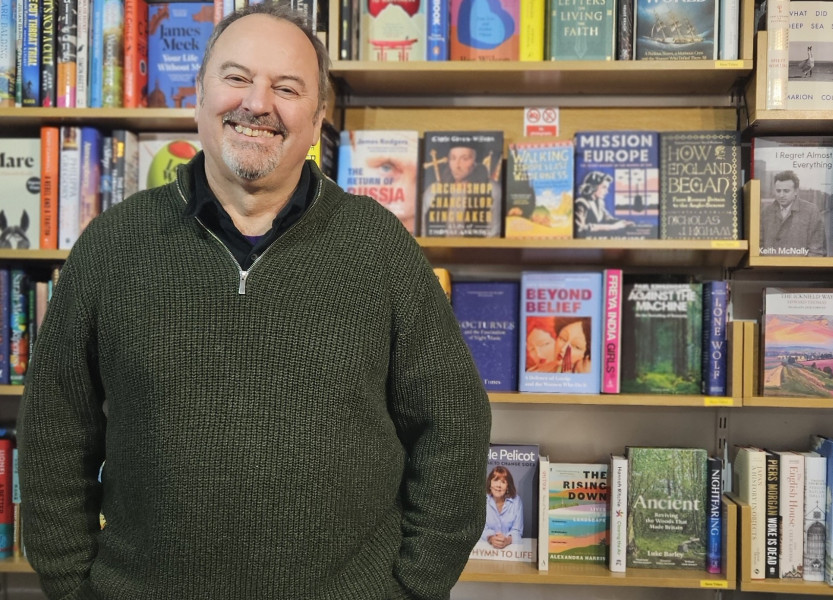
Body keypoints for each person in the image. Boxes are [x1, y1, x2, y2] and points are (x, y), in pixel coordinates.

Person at [17, 5, 492, 600]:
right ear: (200, 96)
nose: (257, 103)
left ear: (318, 118)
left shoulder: (379, 247)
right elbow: (55, 428)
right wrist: (69, 586)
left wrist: (415, 586)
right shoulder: (113, 246)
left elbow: (454, 423)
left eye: (286, 88)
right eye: (237, 78)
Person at [760, 170, 827, 256]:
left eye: (786, 191)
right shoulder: (766, 213)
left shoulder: (811, 211)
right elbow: (759, 247)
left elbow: (817, 250)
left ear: (796, 191)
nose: (781, 195)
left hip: (800, 268)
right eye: (778, 191)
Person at [574, 170, 635, 237]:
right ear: (593, 187)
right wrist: (612, 227)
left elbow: (607, 219)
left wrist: (623, 223)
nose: (606, 191)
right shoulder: (581, 203)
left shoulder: (600, 202)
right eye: (604, 187)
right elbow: (579, 229)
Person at [481, 466, 523, 550]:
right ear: (490, 484)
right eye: (496, 480)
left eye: (503, 482)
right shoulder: (482, 500)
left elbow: (517, 531)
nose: (498, 485)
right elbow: (480, 529)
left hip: (509, 550)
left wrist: (508, 540)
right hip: (485, 549)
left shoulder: (516, 501)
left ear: (507, 486)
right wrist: (491, 538)